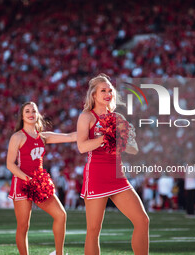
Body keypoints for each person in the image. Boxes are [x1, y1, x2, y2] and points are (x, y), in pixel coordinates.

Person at [77, 74, 149, 255]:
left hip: (118, 177)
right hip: (96, 175)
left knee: (142, 220)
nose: (108, 93)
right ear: (93, 95)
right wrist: (106, 137)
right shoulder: (86, 117)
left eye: (110, 90)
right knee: (93, 231)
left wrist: (123, 137)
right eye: (103, 90)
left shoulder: (117, 117)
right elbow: (82, 146)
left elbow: (133, 149)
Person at [6, 101, 76, 255]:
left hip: (39, 182)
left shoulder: (43, 136)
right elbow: (10, 165)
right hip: (22, 183)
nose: (31, 114)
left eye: (33, 111)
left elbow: (71, 136)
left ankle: (59, 253)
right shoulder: (17, 137)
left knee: (61, 215)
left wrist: (95, 132)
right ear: (22, 117)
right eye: (27, 111)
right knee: (24, 226)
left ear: (37, 115)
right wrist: (28, 179)